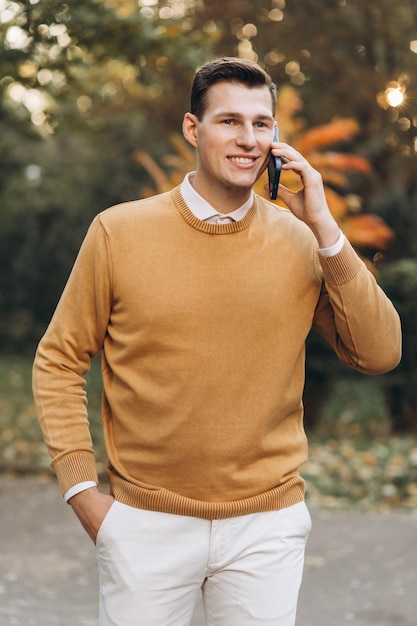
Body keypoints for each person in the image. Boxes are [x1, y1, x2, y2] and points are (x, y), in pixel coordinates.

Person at [32, 57, 401, 626]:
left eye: (262, 124)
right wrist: (83, 493)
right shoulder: (118, 232)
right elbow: (58, 359)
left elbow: (379, 353)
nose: (248, 139)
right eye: (229, 121)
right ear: (192, 128)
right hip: (144, 524)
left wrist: (326, 230)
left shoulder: (302, 242)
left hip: (266, 526)